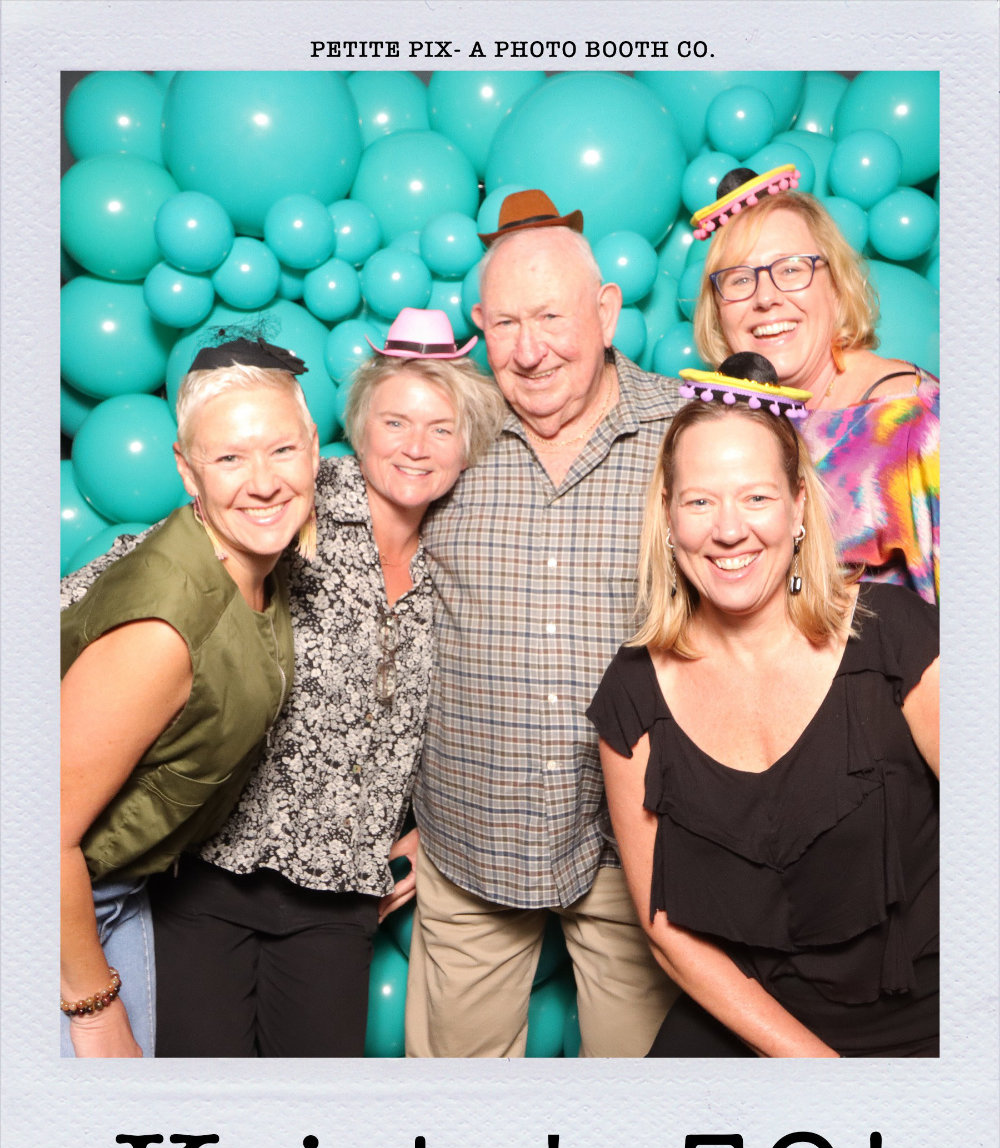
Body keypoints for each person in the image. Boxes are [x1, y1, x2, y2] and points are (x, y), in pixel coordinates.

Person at [74, 309, 504, 1057]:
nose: (415, 446)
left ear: (468, 445)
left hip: (341, 899)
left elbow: (469, 707)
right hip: (210, 880)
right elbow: (137, 579)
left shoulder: (463, 551)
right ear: (356, 427)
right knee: (195, 1103)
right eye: (395, 422)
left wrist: (432, 829)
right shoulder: (289, 502)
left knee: (311, 1108)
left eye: (442, 428)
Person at [588, 353, 939, 1058]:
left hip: (934, 1013)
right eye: (699, 502)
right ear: (668, 517)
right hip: (756, 1020)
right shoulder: (631, 692)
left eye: (756, 497)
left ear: (799, 506)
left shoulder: (898, 636)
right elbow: (668, 932)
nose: (728, 530)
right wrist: (819, 1076)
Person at [406, 189, 682, 1058]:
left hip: (645, 847)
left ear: (606, 312)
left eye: (553, 317)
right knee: (450, 1110)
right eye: (507, 324)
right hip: (470, 836)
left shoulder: (688, 434)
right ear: (479, 327)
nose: (529, 352)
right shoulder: (444, 438)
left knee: (649, 1102)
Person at [60, 337, 318, 1057]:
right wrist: (92, 1009)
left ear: (314, 451)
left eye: (282, 450)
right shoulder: (164, 633)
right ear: (186, 469)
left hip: (122, 894)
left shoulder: (252, 563)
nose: (263, 482)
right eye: (230, 458)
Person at [692, 166, 939, 603]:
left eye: (791, 269)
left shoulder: (915, 422)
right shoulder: (726, 430)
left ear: (837, 287)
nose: (765, 298)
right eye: (740, 279)